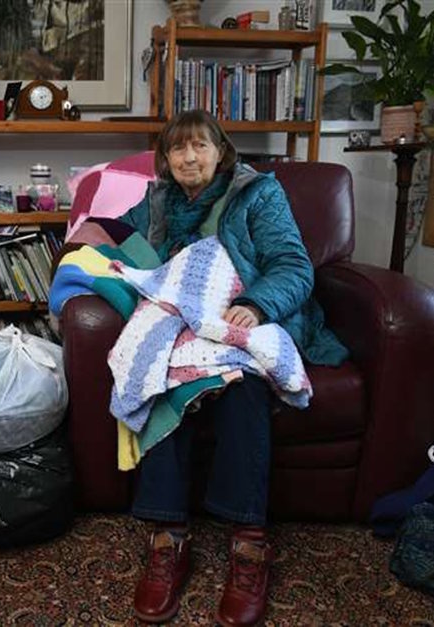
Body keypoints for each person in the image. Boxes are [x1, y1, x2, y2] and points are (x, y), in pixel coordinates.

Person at [119, 110, 347, 625]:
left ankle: (248, 545)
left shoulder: (258, 194)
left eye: (199, 146)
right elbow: (120, 245)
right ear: (166, 159)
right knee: (157, 378)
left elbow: (293, 266)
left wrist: (257, 305)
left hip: (239, 314)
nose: (189, 158)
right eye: (178, 149)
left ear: (221, 151)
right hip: (183, 322)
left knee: (241, 383)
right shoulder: (157, 201)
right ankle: (167, 538)